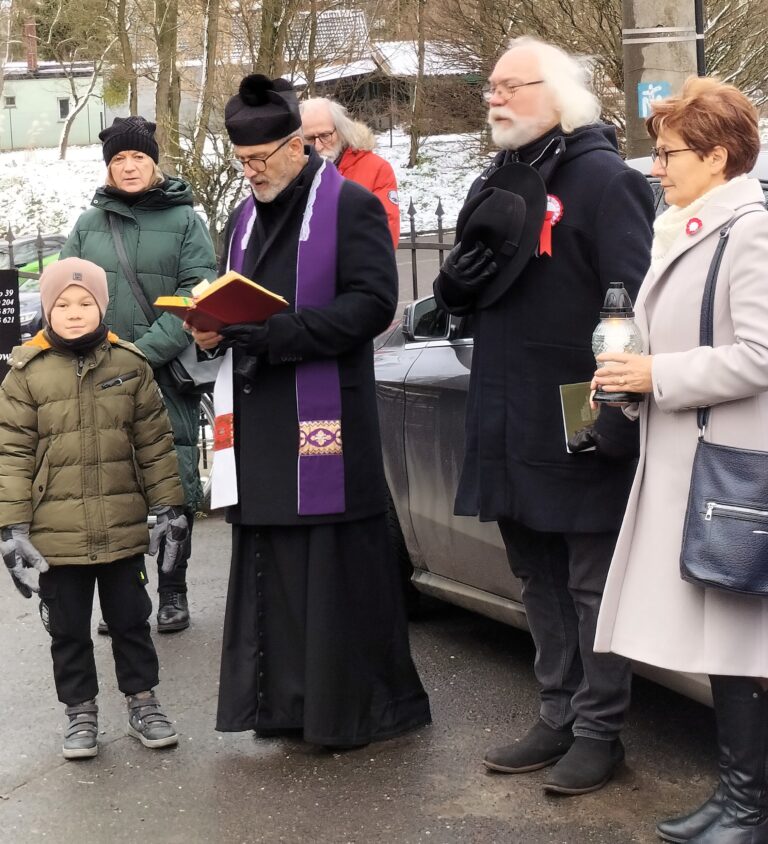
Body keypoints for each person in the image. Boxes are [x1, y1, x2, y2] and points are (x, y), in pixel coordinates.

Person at [433, 36, 654, 795]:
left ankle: (600, 730)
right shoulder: (498, 178)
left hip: (575, 405)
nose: (492, 97)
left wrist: (618, 407)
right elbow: (466, 290)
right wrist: (453, 284)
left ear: (557, 93)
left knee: (589, 577)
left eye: (508, 86)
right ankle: (557, 711)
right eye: (489, 87)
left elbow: (632, 301)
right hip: (502, 403)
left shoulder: (605, 181)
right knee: (535, 570)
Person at [188, 74, 430, 748]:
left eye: (260, 159)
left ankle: (350, 709)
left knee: (328, 567)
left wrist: (278, 333)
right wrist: (209, 327)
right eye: (241, 162)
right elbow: (232, 298)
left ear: (298, 145)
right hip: (262, 416)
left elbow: (371, 305)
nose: (251, 172)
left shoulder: (348, 205)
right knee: (272, 561)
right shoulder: (243, 216)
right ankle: (284, 702)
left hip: (323, 418)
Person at [593, 78, 768, 843]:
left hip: (728, 471)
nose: (655, 167)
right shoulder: (691, 227)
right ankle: (737, 799)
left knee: (740, 641)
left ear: (717, 156)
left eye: (668, 153)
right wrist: (633, 380)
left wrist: (657, 376)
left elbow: (761, 356)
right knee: (726, 644)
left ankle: (747, 806)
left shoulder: (750, 232)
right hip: (691, 464)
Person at [0, 257, 187, 759]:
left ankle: (143, 701)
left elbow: (154, 444)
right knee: (67, 630)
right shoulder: (25, 373)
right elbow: (12, 454)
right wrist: (10, 526)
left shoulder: (129, 364)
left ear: (103, 306)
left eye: (86, 302)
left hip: (122, 528)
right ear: (48, 309)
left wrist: (171, 507)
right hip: (54, 535)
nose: (75, 312)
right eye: (63, 303)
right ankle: (80, 711)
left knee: (131, 621)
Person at [60, 116, 218, 633]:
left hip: (163, 373)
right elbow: (67, 294)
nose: (129, 167)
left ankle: (174, 591)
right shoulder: (88, 224)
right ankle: (130, 597)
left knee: (171, 479)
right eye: (119, 160)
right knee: (115, 486)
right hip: (99, 375)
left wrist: (140, 354)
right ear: (108, 167)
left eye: (139, 158)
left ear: (154, 162)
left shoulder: (186, 220)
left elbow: (198, 296)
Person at [299, 97, 400, 246]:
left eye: (325, 136)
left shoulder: (377, 169)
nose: (318, 146)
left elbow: (384, 233)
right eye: (309, 139)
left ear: (340, 131)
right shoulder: (295, 173)